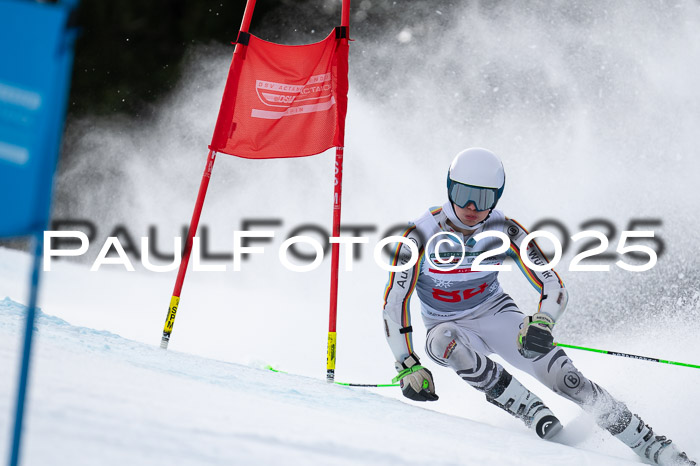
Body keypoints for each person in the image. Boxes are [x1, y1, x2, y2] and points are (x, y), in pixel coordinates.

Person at [382, 148, 695, 465]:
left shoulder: (506, 231)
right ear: (450, 188)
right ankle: (527, 408)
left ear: (497, 197)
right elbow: (395, 302)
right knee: (442, 343)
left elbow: (552, 284)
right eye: (463, 195)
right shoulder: (419, 235)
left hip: (497, 316)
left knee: (570, 382)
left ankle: (653, 446)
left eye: (484, 198)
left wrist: (543, 321)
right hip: (448, 326)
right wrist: (407, 364)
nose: (472, 208)